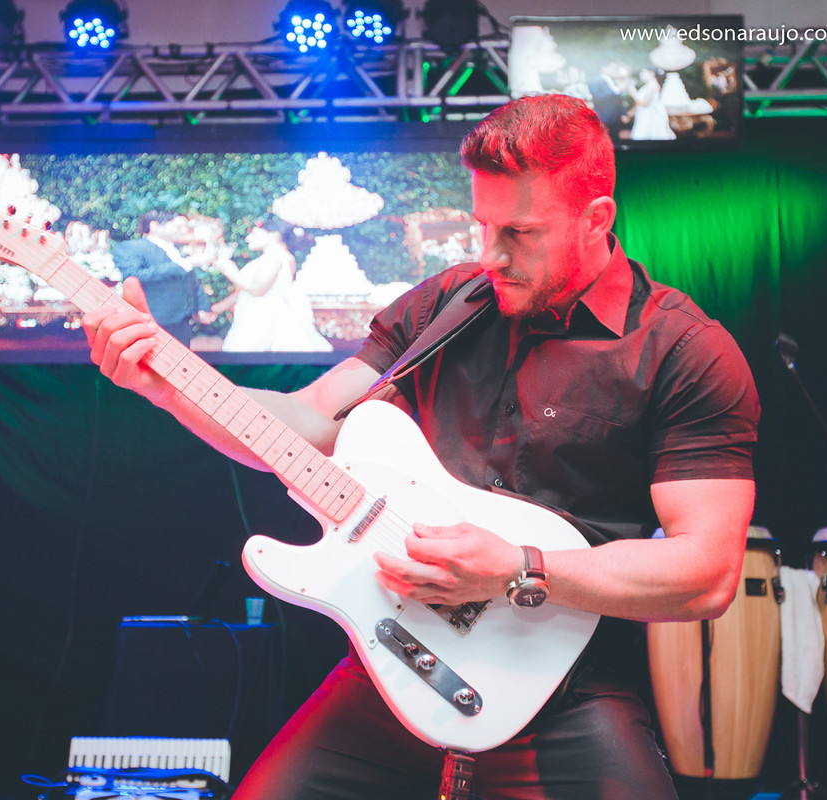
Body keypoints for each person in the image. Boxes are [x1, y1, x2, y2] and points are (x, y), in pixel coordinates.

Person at [81, 93, 758, 799]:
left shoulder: (684, 350)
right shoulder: (446, 304)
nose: (490, 255)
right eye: (482, 225)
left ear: (596, 220)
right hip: (390, 675)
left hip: (566, 696)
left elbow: (705, 570)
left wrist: (515, 568)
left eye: (520, 232)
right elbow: (309, 418)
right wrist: (164, 382)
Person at [216, 219, 331, 353]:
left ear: (274, 235)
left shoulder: (274, 258)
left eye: (254, 234)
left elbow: (258, 289)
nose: (248, 238)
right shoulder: (283, 257)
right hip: (257, 313)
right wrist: (217, 309)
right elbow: (244, 292)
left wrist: (230, 271)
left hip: (260, 318)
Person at [111, 210, 215, 345]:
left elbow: (191, 281)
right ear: (155, 225)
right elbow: (133, 276)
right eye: (176, 226)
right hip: (155, 321)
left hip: (183, 323)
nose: (182, 231)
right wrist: (180, 265)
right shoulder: (132, 247)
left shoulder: (177, 249)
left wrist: (202, 307)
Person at [630, 68, 676, 142]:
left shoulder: (652, 84)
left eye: (643, 72)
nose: (641, 75)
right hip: (644, 115)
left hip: (649, 116)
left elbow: (645, 103)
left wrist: (633, 92)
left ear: (651, 73)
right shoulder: (649, 85)